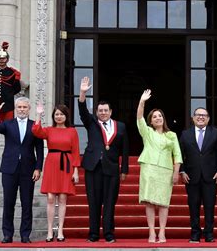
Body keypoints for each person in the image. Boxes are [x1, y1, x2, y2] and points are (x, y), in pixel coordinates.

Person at [78, 76, 129, 243]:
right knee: (93, 202)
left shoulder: (120, 126)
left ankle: (108, 233)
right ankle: (93, 234)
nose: (103, 113)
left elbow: (125, 149)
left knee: (109, 203)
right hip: (93, 167)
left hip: (111, 168)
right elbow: (82, 112)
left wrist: (124, 170)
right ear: (97, 112)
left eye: (105, 110)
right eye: (100, 110)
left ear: (110, 111)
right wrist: (82, 94)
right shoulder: (92, 122)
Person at [0, 95, 44, 244]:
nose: (21, 109)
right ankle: (7, 234)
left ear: (29, 109)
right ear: (16, 108)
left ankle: (25, 235)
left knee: (27, 204)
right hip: (9, 169)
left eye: (24, 107)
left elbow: (39, 150)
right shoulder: (7, 124)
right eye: (19, 107)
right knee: (9, 202)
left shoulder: (35, 125)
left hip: (28, 169)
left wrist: (38, 168)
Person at [137, 89, 183, 243]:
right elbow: (139, 118)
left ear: (164, 118)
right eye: (155, 117)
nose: (158, 118)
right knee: (149, 201)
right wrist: (142, 102)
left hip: (165, 170)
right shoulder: (147, 132)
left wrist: (176, 172)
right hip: (149, 168)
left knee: (164, 202)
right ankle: (151, 232)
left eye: (160, 116)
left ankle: (162, 232)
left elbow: (177, 155)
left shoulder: (172, 135)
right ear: (151, 121)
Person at [32, 103, 81, 242]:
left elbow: (76, 151)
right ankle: (49, 231)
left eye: (61, 114)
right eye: (56, 114)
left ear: (66, 116)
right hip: (52, 164)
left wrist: (76, 171)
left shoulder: (72, 131)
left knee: (63, 198)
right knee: (50, 198)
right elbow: (35, 130)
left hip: (66, 164)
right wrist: (38, 114)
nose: (59, 116)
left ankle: (60, 231)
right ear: (54, 117)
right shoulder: (49, 130)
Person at [179, 107, 217, 243]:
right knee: (193, 206)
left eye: (204, 115)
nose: (201, 117)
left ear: (208, 119)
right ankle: (195, 234)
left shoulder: (216, 133)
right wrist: (182, 170)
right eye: (198, 115)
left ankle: (209, 234)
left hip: (210, 176)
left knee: (210, 206)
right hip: (191, 176)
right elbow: (179, 153)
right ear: (193, 118)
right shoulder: (185, 134)